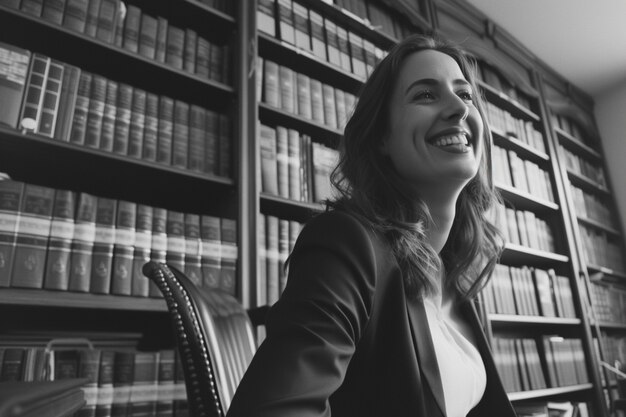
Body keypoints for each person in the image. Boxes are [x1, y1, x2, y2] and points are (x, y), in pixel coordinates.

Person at [227, 34, 517, 417]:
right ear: (382, 138)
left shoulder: (456, 281)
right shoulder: (346, 242)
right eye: (426, 95)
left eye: (465, 95)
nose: (458, 109)